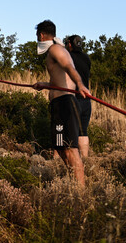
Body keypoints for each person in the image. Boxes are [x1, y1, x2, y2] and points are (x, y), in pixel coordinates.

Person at [33, 20, 90, 187]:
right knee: (59, 147)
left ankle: (81, 191)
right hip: (58, 105)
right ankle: (73, 179)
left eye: (37, 36)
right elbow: (60, 78)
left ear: (41, 35)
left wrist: (80, 85)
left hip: (66, 104)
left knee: (71, 148)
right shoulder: (54, 51)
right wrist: (45, 85)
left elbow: (69, 68)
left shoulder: (56, 49)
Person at [66, 35, 92, 158]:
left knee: (68, 130)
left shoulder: (68, 57)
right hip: (87, 99)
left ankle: (67, 160)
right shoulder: (87, 58)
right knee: (83, 132)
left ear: (70, 44)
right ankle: (85, 160)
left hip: (74, 98)